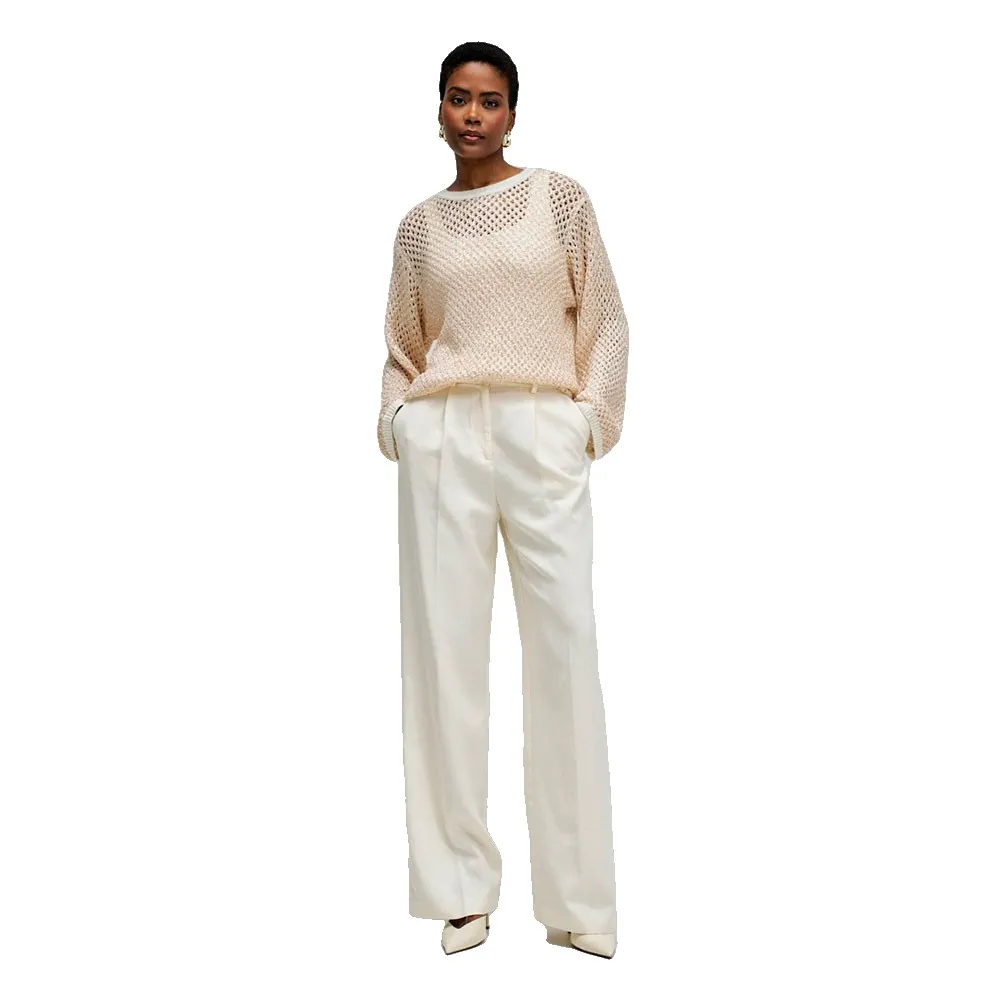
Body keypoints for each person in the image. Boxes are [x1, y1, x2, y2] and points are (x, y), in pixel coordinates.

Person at [376, 41, 629, 959]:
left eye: (489, 100)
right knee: (443, 658)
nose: (473, 115)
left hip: (539, 429)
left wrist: (586, 423)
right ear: (439, 110)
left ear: (513, 113)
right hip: (444, 435)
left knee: (565, 648)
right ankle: (459, 890)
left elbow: (604, 318)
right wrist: (401, 422)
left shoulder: (560, 200)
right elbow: (403, 344)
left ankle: (579, 900)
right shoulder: (419, 227)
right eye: (458, 98)